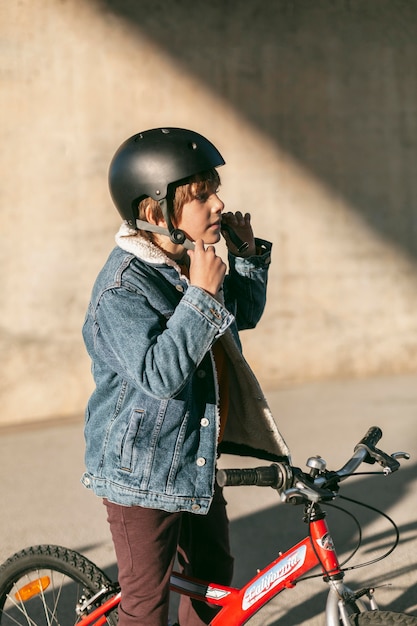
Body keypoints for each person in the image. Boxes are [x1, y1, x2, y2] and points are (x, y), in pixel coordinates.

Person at [81, 127, 290, 626]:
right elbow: (160, 375)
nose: (218, 203)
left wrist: (245, 258)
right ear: (155, 214)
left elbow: (240, 315)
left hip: (193, 458)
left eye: (216, 189)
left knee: (212, 583)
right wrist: (199, 295)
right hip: (139, 475)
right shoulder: (122, 291)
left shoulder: (190, 262)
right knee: (147, 608)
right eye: (201, 196)